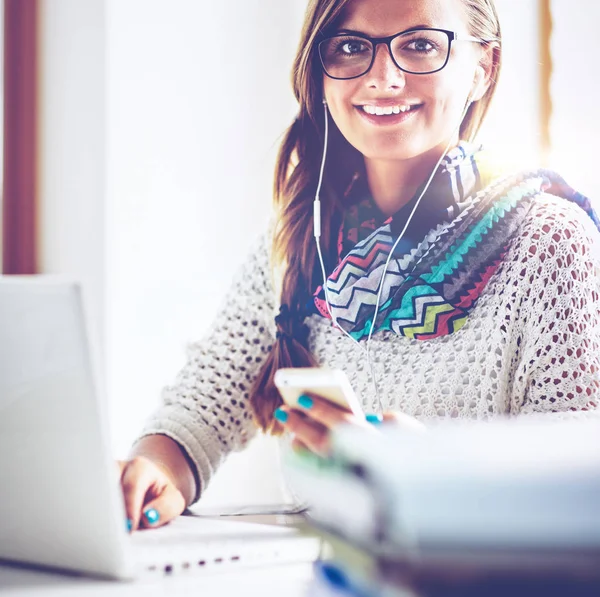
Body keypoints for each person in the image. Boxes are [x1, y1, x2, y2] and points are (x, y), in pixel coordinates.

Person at [119, 0, 600, 533]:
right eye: (351, 47)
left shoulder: (550, 241)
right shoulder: (299, 243)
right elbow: (196, 416)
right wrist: (151, 472)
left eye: (420, 45)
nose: (384, 79)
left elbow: (578, 497)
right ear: (320, 72)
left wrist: (433, 475)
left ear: (482, 68)